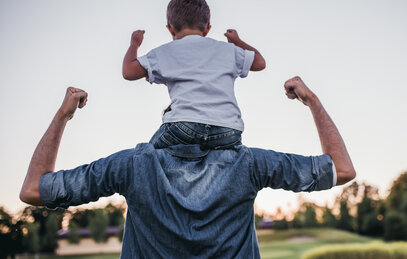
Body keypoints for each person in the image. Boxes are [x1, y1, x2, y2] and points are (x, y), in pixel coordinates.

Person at [20, 76, 356, 258]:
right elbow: (341, 169)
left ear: (168, 121)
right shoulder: (250, 163)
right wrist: (311, 101)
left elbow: (33, 189)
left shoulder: (132, 165)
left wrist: (63, 116)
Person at [122, 0, 266, 150]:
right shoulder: (228, 50)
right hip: (228, 130)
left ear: (170, 29)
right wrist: (237, 41)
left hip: (184, 126)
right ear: (207, 29)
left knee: (148, 156)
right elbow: (260, 62)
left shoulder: (165, 52)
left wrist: (134, 44)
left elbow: (128, 71)